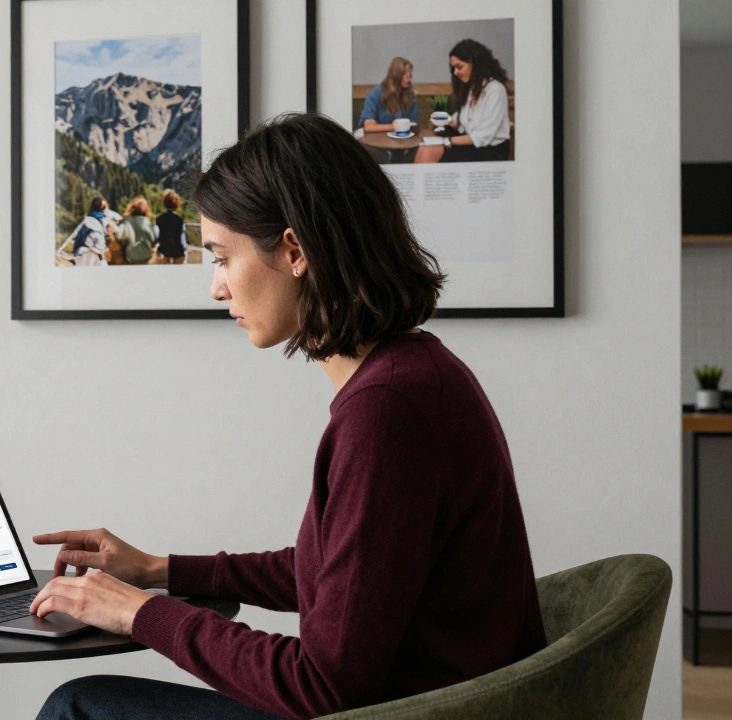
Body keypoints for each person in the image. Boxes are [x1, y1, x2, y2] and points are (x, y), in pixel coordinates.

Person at [29, 112, 547, 720]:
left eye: (222, 258)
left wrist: (138, 613)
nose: (216, 288)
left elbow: (322, 687)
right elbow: (335, 573)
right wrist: (156, 570)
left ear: (295, 251)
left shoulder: (386, 414)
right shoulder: (417, 374)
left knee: (78, 707)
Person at [415, 39, 512, 164]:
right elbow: (466, 125)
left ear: (474, 63)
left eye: (459, 67)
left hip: (491, 150)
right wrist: (447, 121)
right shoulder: (472, 90)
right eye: (453, 68)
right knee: (425, 148)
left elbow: (483, 136)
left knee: (429, 151)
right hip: (474, 145)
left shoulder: (495, 90)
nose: (455, 72)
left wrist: (446, 141)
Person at [358, 56, 418, 135]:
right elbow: (368, 126)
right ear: (396, 76)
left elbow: (412, 124)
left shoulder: (410, 96)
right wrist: (393, 127)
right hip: (377, 140)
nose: (409, 80)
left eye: (410, 76)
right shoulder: (376, 94)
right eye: (406, 76)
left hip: (403, 140)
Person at [71, 196, 111, 266]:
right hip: (89, 253)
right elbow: (98, 240)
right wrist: (105, 249)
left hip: (86, 252)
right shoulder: (94, 221)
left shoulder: (91, 218)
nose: (107, 208)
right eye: (105, 207)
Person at [120, 196, 158, 265]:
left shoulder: (126, 221)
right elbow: (153, 238)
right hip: (146, 254)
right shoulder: (146, 221)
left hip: (130, 255)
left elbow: (120, 237)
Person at [153, 190, 187, 264]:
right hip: (178, 250)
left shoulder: (159, 218)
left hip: (163, 251)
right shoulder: (179, 219)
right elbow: (182, 237)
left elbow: (156, 235)